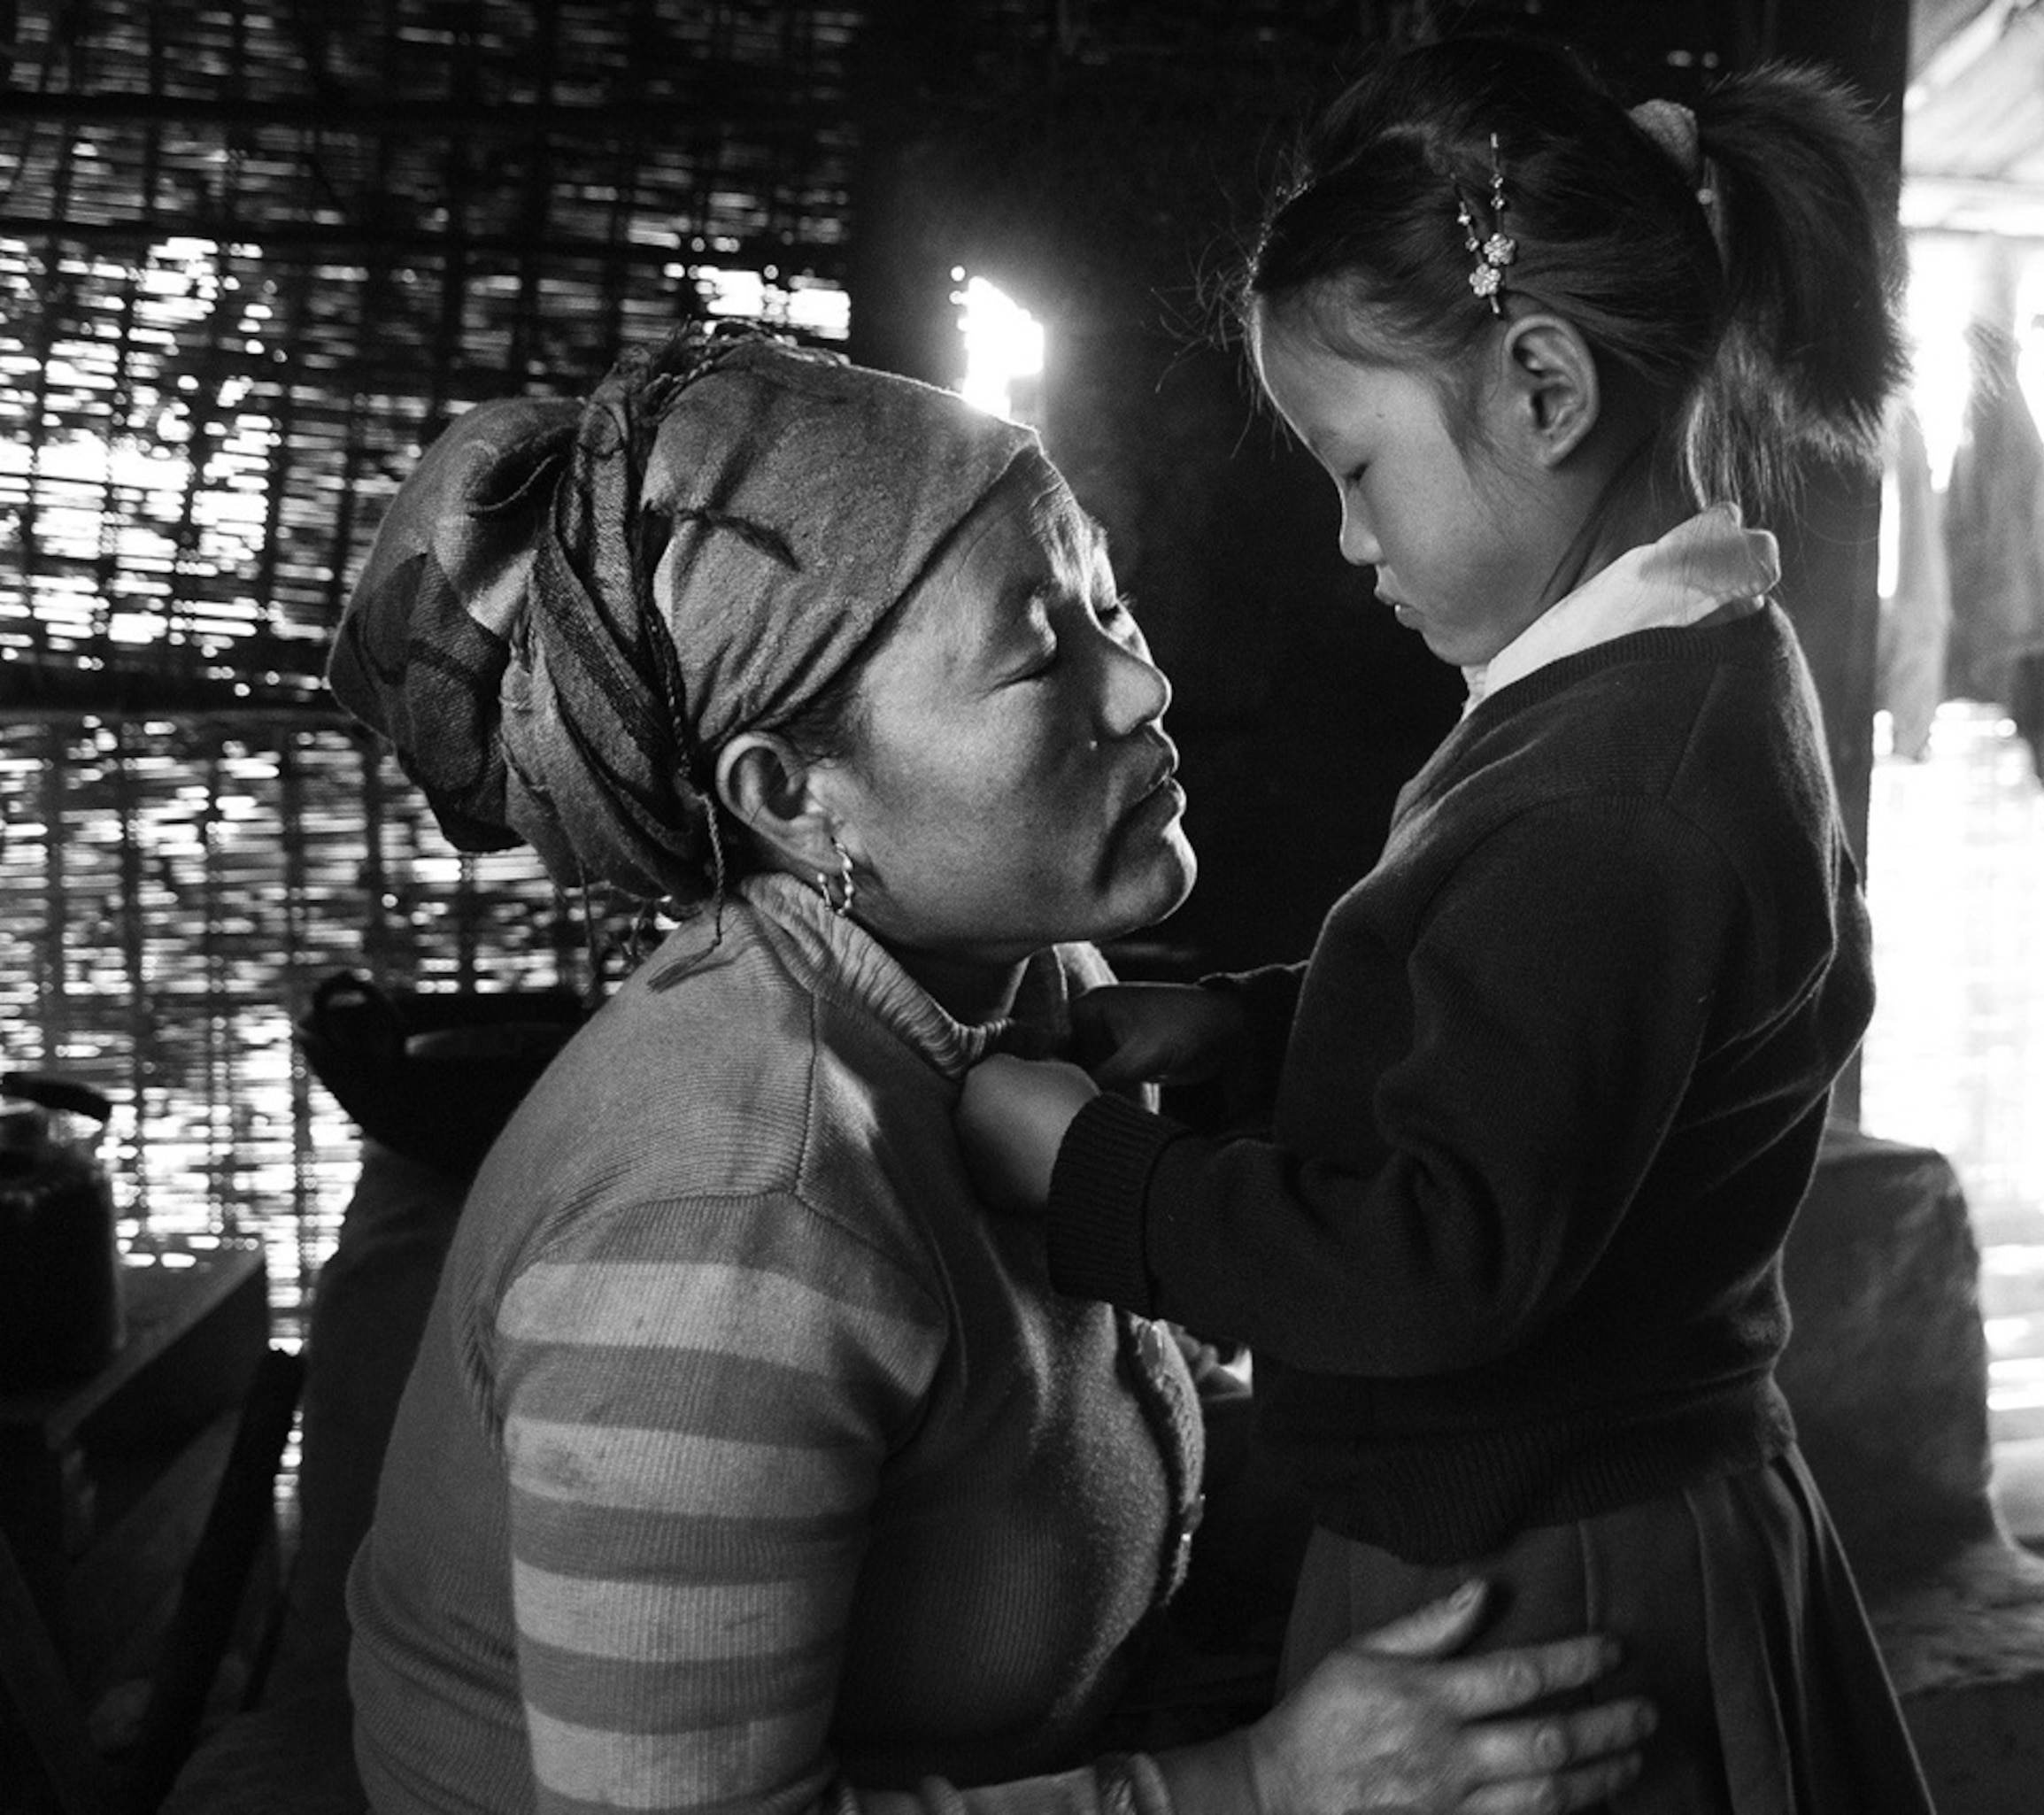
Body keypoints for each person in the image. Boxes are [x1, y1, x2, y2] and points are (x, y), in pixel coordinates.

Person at [324, 321, 1655, 1815]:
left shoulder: (1016, 986)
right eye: (1037, 652)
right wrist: (1267, 1787)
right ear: (796, 797)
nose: (1142, 688)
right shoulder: (736, 1207)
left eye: (1106, 599)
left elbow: (1065, 1426)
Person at [957, 35, 1939, 1815]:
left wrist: (1101, 1175)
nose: (1346, 538)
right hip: (1607, 1497)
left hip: (1535, 1588)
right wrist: (1257, 1028)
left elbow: (1441, 1260)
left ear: (1543, 387)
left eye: (1355, 465)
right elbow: (1576, 1047)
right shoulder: (1682, 675)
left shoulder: (1614, 789)